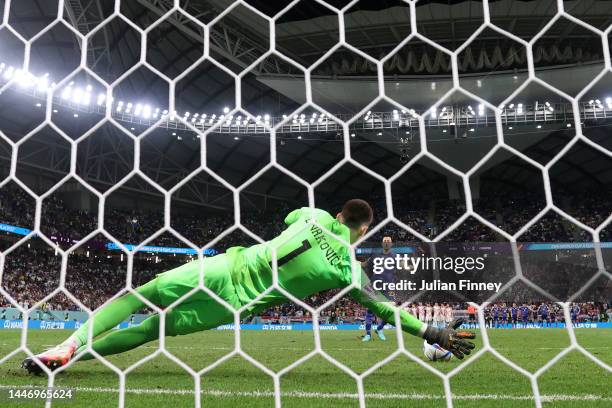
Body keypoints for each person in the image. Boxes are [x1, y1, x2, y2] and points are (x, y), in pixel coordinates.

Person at [23, 200, 476, 373]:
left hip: (225, 267)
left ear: (340, 216)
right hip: (237, 304)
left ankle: (68, 345)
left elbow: (291, 220)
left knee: (139, 297)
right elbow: (383, 309)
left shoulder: (312, 215)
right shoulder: (349, 270)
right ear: (362, 232)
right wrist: (431, 333)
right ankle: (74, 360)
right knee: (151, 331)